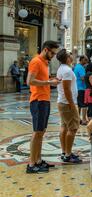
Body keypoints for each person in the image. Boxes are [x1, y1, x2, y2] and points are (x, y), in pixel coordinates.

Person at [26, 41, 60, 173]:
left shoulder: (45, 63)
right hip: (38, 100)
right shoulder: (36, 61)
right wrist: (48, 82)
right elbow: (29, 81)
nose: (53, 55)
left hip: (44, 100)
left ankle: (38, 160)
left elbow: (42, 80)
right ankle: (31, 164)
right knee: (37, 132)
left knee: (41, 132)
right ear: (46, 50)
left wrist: (51, 80)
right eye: (52, 53)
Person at [56, 49, 82, 164]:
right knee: (73, 128)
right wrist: (72, 104)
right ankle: (68, 154)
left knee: (64, 127)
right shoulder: (66, 70)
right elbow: (67, 89)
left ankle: (64, 152)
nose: (72, 56)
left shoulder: (62, 68)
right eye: (70, 55)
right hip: (67, 103)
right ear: (67, 58)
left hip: (63, 102)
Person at [73, 55, 89, 125]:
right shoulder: (81, 68)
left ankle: (78, 119)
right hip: (82, 88)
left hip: (77, 88)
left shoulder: (76, 67)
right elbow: (83, 78)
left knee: (79, 105)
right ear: (81, 60)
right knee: (84, 105)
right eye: (85, 60)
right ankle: (84, 120)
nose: (86, 61)